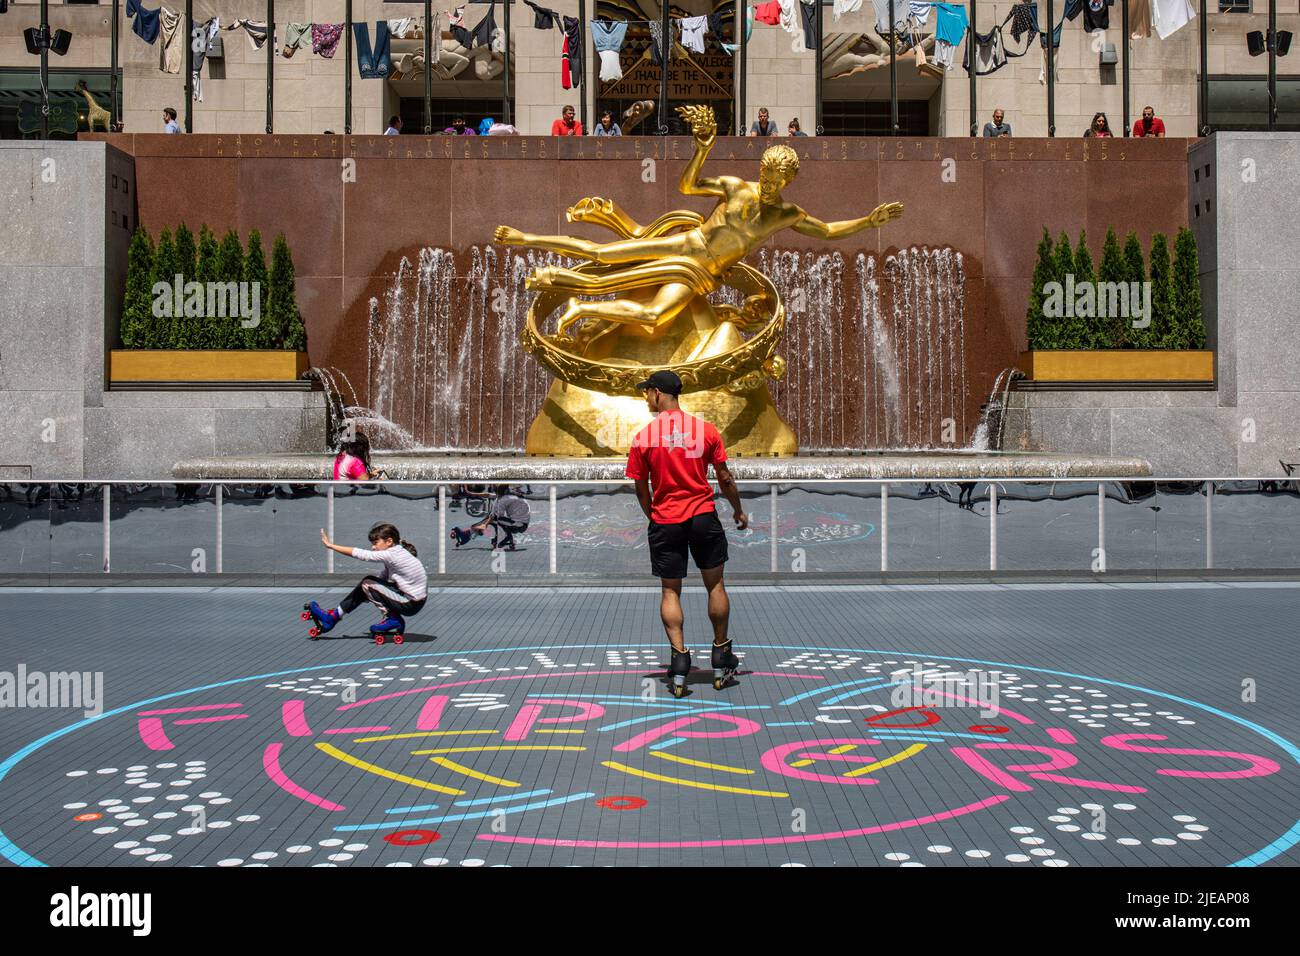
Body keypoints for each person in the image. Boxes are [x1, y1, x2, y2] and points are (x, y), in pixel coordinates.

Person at [625, 370, 748, 698]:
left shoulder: (645, 437)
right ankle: (721, 653)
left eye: (646, 393)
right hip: (702, 517)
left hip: (667, 520)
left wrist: (653, 514)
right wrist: (737, 509)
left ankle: (679, 661)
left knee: (670, 592)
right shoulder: (705, 430)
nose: (646, 399)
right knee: (716, 585)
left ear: (656, 393)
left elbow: (639, 486)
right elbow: (724, 477)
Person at [307, 523, 427, 640]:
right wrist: (365, 593)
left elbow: (363, 555)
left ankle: (393, 619)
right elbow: (382, 579)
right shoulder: (397, 552)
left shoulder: (392, 554)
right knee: (367, 584)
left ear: (389, 541)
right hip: (413, 600)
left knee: (367, 582)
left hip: (410, 603)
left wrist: (331, 546)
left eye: (375, 543)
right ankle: (333, 617)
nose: (373, 547)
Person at [470, 484, 531, 550]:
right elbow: (488, 495)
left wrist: (484, 525)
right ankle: (503, 537)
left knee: (495, 519)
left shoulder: (503, 499)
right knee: (495, 519)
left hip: (519, 525)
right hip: (522, 522)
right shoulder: (510, 495)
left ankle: (506, 538)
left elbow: (496, 516)